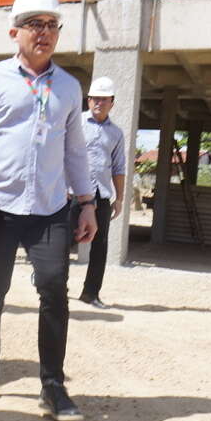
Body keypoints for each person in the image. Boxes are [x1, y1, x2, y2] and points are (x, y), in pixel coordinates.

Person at [0, 0, 97, 421]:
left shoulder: (69, 87)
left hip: (50, 209)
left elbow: (75, 150)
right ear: (15, 32)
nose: (45, 32)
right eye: (35, 24)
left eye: (52, 25)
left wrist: (87, 202)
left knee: (54, 288)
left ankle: (52, 385)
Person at [77, 76, 126, 310]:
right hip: (72, 193)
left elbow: (119, 167)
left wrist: (120, 198)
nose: (99, 102)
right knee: (61, 241)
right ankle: (55, 288)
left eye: (104, 99)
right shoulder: (75, 124)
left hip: (101, 194)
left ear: (112, 103)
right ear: (88, 100)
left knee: (100, 245)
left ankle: (91, 293)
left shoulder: (116, 133)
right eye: (95, 98)